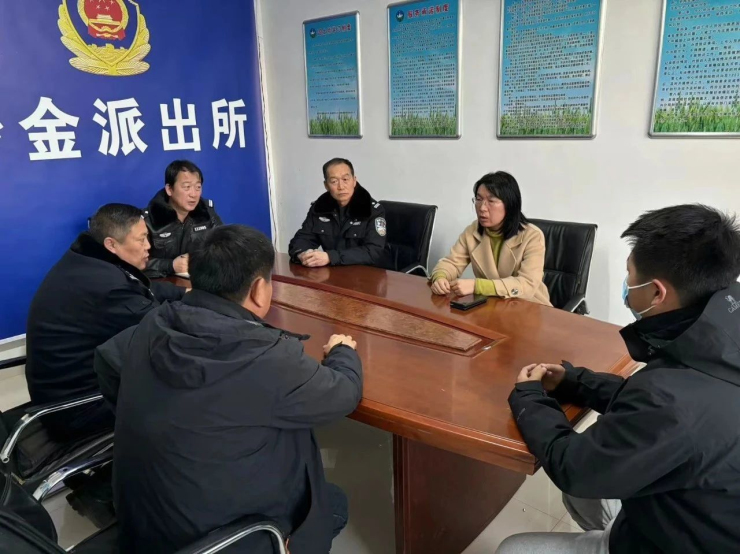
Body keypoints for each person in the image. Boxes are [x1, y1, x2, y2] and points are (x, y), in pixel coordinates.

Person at [95, 225, 361, 554]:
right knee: (333, 503)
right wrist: (342, 351)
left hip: (145, 522)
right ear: (259, 290)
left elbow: (107, 360)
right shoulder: (263, 355)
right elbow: (344, 393)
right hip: (222, 538)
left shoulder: (156, 321)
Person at [499, 204, 740, 554]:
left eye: (629, 274)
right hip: (701, 505)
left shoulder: (669, 397)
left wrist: (528, 397)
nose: (627, 284)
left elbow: (574, 467)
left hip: (675, 541)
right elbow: (654, 407)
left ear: (657, 293)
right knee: (586, 494)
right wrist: (574, 382)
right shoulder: (720, 336)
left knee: (513, 548)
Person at [25, 203, 185, 442]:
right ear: (112, 244)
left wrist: (188, 294)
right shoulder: (107, 287)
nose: (148, 246)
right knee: (186, 383)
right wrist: (211, 310)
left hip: (58, 391)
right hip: (79, 409)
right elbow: (164, 327)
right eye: (141, 239)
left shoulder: (89, 260)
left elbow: (144, 288)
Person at [430, 172, 551, 306]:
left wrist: (477, 286)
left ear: (510, 204)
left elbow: (527, 284)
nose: (482, 208)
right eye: (478, 199)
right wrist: (440, 277)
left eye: (491, 201)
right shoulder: (473, 230)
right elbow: (452, 262)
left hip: (529, 306)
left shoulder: (532, 236)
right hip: (492, 306)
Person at [288, 157, 388, 267]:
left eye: (345, 179)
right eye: (334, 181)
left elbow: (374, 252)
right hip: (333, 272)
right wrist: (302, 254)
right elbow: (303, 238)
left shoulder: (372, 210)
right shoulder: (320, 208)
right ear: (326, 185)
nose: (341, 187)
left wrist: (330, 257)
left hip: (367, 273)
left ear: (354, 181)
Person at [143, 159, 222, 279]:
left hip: (199, 282)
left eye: (198, 187)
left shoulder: (207, 213)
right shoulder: (149, 220)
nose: (193, 194)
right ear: (169, 189)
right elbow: (133, 261)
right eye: (187, 187)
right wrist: (170, 265)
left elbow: (225, 247)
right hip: (160, 285)